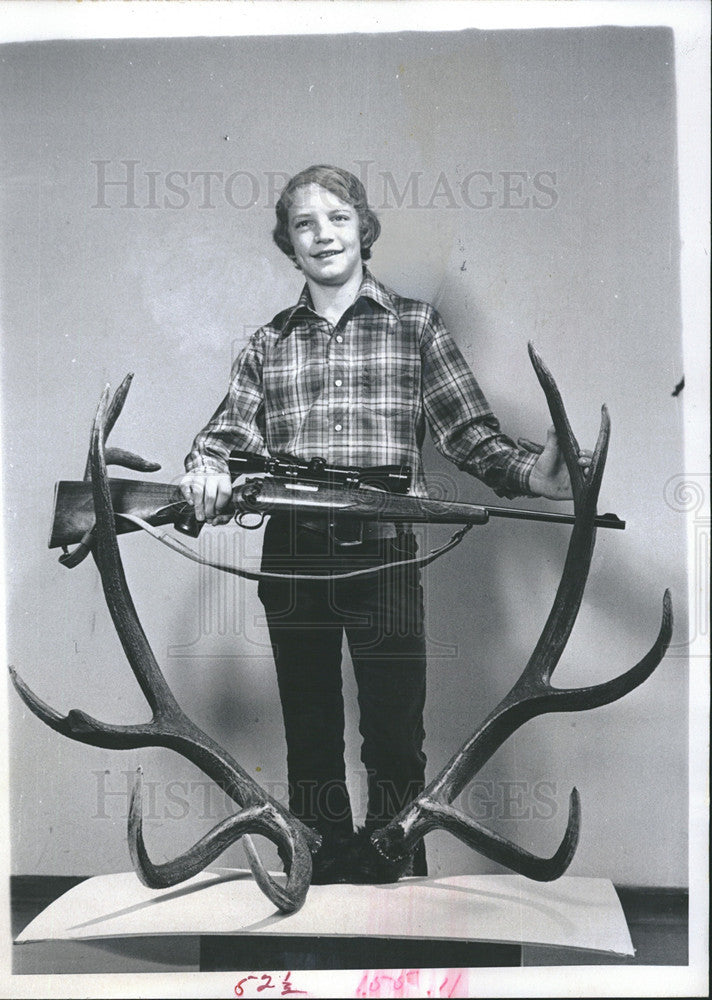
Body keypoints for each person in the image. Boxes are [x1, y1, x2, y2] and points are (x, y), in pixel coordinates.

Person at [181, 164, 587, 884]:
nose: (322, 235)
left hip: (386, 551)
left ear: (362, 228)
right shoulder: (268, 343)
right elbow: (218, 441)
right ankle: (318, 887)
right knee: (309, 737)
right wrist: (206, 471)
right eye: (304, 224)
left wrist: (536, 474)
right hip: (293, 551)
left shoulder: (415, 325)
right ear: (289, 242)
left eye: (336, 218)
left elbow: (471, 437)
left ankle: (399, 901)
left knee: (396, 740)